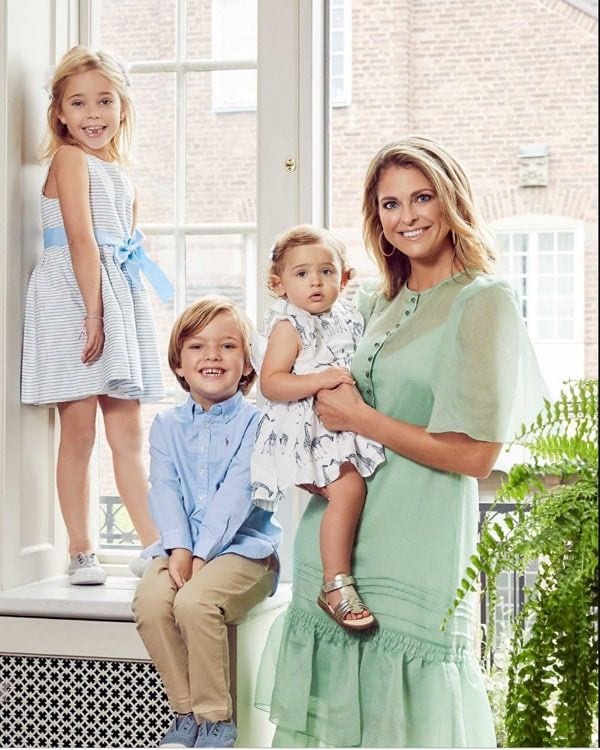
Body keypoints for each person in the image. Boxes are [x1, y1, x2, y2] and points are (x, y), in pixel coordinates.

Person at [254, 135, 549, 747]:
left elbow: (477, 455)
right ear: (377, 219)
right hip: (334, 544)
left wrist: (360, 419)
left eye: (421, 198)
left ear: (450, 201)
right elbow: (296, 377)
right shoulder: (371, 299)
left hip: (419, 540)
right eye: (390, 204)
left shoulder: (482, 300)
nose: (407, 216)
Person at [21, 46, 172, 584]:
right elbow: (81, 240)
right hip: (74, 299)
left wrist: (120, 313)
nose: (92, 114)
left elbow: (119, 247)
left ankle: (153, 542)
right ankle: (81, 550)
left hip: (113, 298)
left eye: (104, 101)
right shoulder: (68, 159)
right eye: (78, 103)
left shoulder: (121, 175)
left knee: (128, 431)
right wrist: (93, 313)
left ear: (123, 106)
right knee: (79, 430)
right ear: (59, 112)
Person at [132, 296, 281, 749]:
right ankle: (186, 714)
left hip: (244, 550)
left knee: (195, 602)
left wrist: (200, 553)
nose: (212, 356)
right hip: (179, 547)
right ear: (179, 363)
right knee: (152, 602)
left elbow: (237, 495)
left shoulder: (259, 423)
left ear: (248, 361)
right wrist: (179, 548)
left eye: (228, 346)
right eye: (197, 346)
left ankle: (217, 721)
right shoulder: (166, 425)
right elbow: (164, 489)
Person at [251, 225, 384, 631]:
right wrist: (322, 379)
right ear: (279, 284)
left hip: (340, 424)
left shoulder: (347, 314)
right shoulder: (290, 325)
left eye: (327, 272)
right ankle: (335, 584)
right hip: (304, 429)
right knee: (349, 489)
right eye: (302, 273)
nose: (316, 282)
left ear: (344, 278)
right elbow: (271, 382)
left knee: (361, 488)